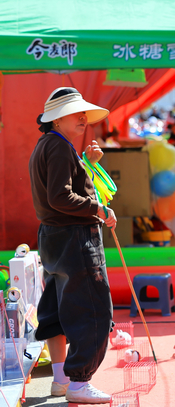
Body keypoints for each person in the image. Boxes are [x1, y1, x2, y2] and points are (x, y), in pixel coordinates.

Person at [29, 87, 117, 403]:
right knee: (92, 308)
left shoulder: (48, 144)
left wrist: (86, 164)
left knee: (57, 307)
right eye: (76, 113)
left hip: (53, 236)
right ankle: (79, 381)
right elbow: (61, 197)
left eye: (83, 113)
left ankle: (62, 380)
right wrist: (99, 209)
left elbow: (60, 192)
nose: (83, 118)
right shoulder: (58, 146)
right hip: (74, 237)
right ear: (56, 118)